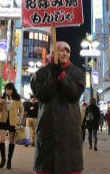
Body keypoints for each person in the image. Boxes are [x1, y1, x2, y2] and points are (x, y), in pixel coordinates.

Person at [31, 41, 85, 174]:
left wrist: (62, 75)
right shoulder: (41, 73)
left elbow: (74, 94)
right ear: (53, 52)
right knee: (47, 166)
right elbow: (42, 95)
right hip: (47, 129)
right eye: (61, 50)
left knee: (69, 167)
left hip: (69, 130)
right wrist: (54, 76)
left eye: (67, 51)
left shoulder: (77, 73)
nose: (65, 53)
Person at [0, 82, 24, 169]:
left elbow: (21, 109)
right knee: (2, 140)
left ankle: (9, 160)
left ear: (12, 90)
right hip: (3, 120)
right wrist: (0, 103)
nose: (8, 91)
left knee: (11, 141)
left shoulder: (17, 98)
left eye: (9, 89)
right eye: (6, 89)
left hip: (13, 121)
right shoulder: (3, 98)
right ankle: (3, 159)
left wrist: (20, 118)